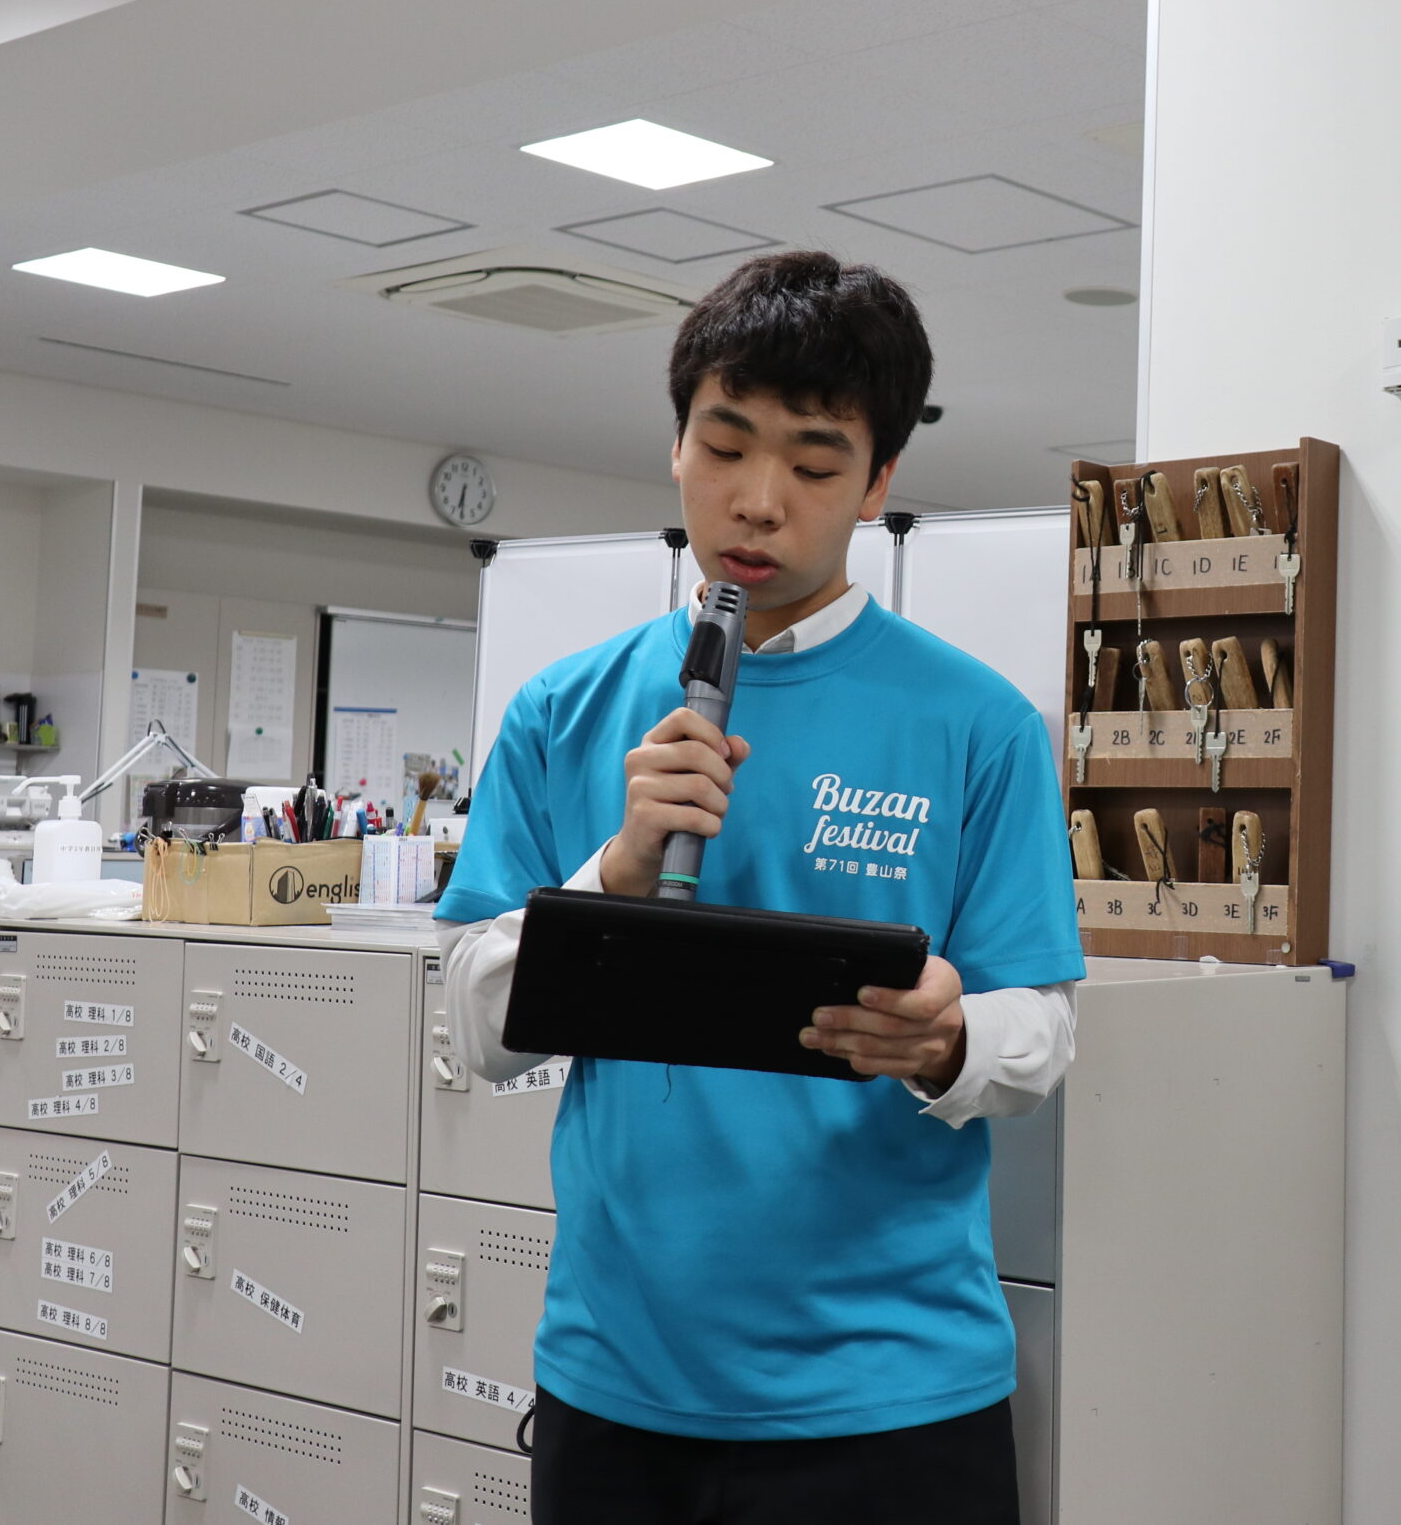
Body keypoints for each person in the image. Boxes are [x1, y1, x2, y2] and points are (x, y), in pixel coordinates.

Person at [436, 251, 1086, 1525]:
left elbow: (1042, 1034)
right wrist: (615, 872)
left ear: (878, 483)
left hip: (891, 1394)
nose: (759, 501)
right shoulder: (562, 710)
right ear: (677, 445)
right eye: (726, 446)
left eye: (815, 465)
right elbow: (474, 1029)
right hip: (618, 1380)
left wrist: (948, 1038)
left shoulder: (978, 724)